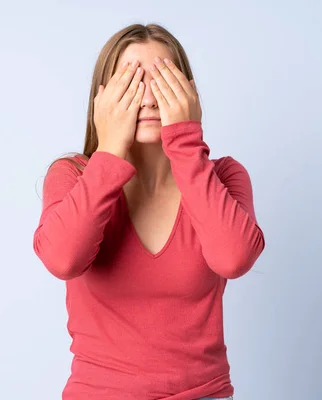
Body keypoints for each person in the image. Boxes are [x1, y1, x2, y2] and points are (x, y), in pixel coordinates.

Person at [33, 23, 265, 400]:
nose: (149, 99)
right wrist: (108, 152)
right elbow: (63, 259)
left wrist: (186, 144)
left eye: (162, 81)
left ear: (188, 92)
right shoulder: (72, 177)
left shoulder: (224, 177)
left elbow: (233, 258)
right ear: (102, 97)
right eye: (132, 83)